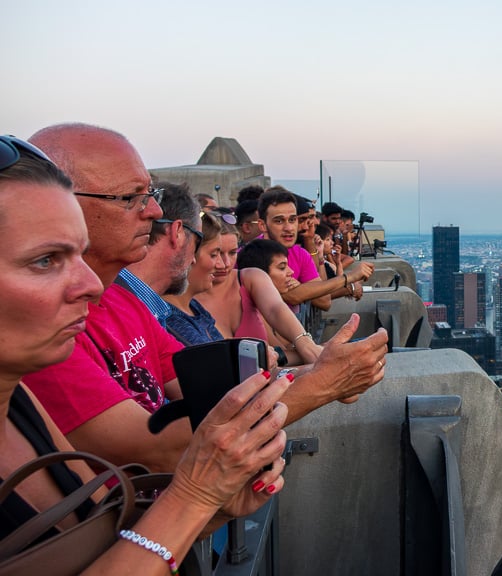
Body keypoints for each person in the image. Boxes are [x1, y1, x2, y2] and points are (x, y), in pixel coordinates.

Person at [21, 123, 388, 475]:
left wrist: (323, 371)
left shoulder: (124, 301)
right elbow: (155, 446)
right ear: (61, 205)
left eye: (149, 196)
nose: (153, 211)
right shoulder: (42, 328)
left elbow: (215, 389)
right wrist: (321, 384)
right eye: (132, 197)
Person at [0, 135, 288, 575]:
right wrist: (196, 495)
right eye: (45, 261)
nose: (91, 284)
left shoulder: (19, 403)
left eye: (76, 253)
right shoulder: (39, 372)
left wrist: (214, 505)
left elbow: (115, 535)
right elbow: (152, 450)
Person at [193, 222, 322, 365]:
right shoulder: (183, 301)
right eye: (215, 254)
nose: (225, 263)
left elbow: (275, 309)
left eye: (232, 253)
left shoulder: (249, 278)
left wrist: (306, 344)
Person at [257, 187, 372, 311]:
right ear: (262, 225)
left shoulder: (299, 253)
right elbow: (291, 296)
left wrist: (302, 287)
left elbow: (324, 301)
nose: (289, 228)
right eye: (279, 221)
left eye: (292, 220)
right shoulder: (255, 254)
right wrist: (349, 278)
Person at [120, 181, 203, 326]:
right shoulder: (120, 309)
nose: (194, 260)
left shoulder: (150, 308)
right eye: (198, 242)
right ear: (177, 233)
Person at [161, 211, 225, 345]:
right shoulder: (167, 319)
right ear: (190, 252)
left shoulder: (194, 308)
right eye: (213, 255)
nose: (222, 264)